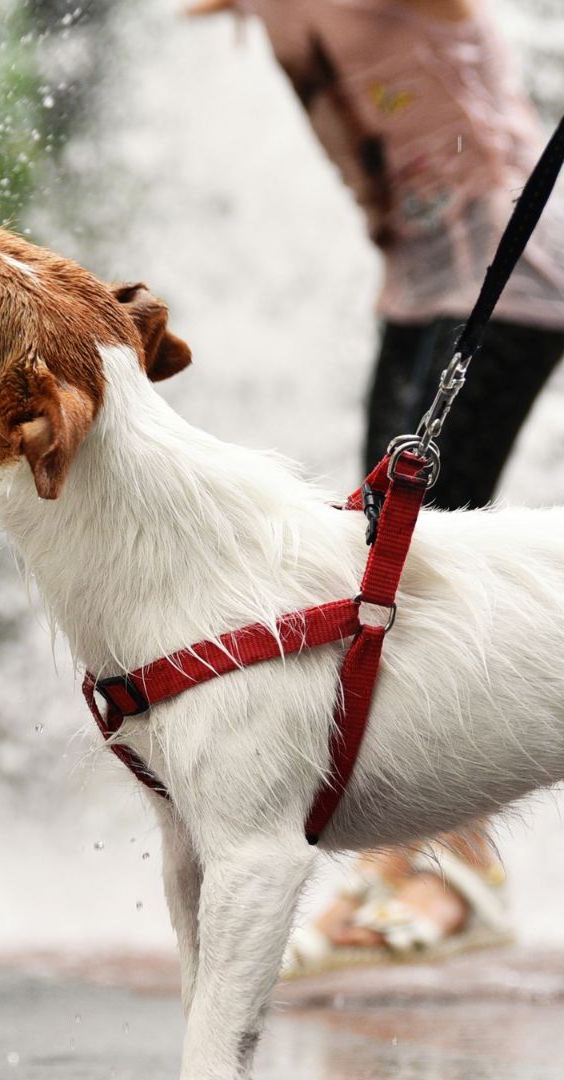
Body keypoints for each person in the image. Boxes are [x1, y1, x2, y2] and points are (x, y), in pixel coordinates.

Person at [187, 0, 564, 972]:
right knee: (373, 564)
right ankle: (435, 864)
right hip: (420, 290)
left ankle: (445, 875)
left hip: (510, 274)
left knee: (407, 569)